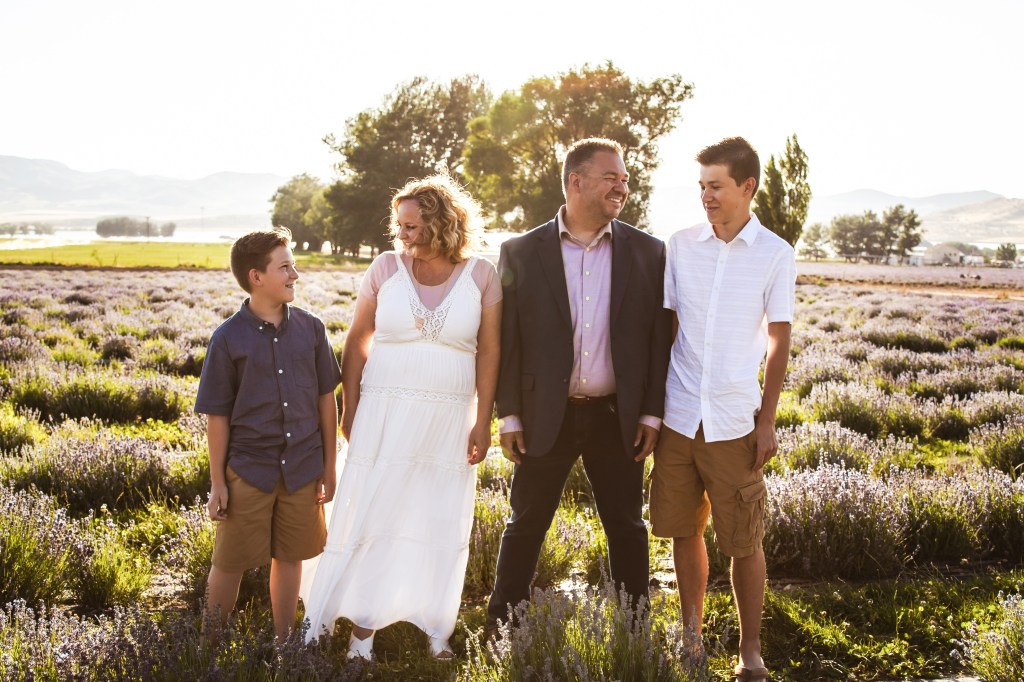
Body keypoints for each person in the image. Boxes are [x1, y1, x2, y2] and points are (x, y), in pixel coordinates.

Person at [300, 173, 501, 660]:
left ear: (443, 222)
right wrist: (352, 403)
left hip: (450, 417)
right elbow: (357, 340)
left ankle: (435, 625)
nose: (404, 234)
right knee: (373, 512)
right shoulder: (386, 268)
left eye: (413, 225)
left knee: (436, 517)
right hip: (384, 410)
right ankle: (362, 630)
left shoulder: (482, 275)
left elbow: (490, 352)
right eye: (401, 225)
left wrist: (483, 419)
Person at [486, 138, 672, 634]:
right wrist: (510, 415)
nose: (623, 186)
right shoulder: (520, 250)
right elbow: (509, 342)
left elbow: (657, 341)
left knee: (629, 527)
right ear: (576, 181)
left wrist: (651, 414)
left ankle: (635, 629)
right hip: (547, 412)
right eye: (612, 177)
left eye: (625, 179)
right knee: (525, 524)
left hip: (619, 414)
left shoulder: (650, 253)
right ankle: (502, 625)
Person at [650, 137, 795, 682]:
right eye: (701, 187)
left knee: (744, 540)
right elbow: (666, 331)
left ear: (746, 187)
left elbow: (779, 342)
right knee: (684, 530)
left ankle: (750, 651)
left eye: (716, 186)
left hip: (735, 420)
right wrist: (650, 411)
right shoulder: (681, 246)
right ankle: (692, 638)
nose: (706, 196)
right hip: (679, 415)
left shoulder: (775, 254)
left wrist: (767, 420)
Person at [194, 227, 342, 641]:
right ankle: (212, 645)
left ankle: (284, 645)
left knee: (290, 557)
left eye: (293, 266)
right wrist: (218, 482)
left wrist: (329, 467)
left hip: (301, 468)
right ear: (256, 277)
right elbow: (217, 416)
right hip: (249, 469)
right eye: (285, 267)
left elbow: (325, 401)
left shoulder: (312, 330)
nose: (295, 275)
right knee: (229, 561)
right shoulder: (227, 339)